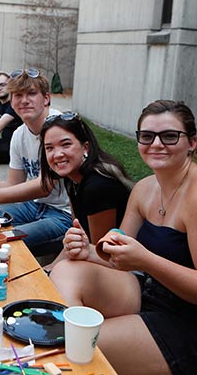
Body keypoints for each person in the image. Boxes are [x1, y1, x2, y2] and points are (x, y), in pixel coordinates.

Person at [50, 100, 197, 375]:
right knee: (67, 270)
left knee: (77, 345)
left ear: (192, 142)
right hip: (148, 293)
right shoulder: (145, 189)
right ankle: (75, 328)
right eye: (147, 136)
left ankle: (78, 343)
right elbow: (117, 256)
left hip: (195, 323)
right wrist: (89, 252)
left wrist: (147, 261)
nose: (156, 144)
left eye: (169, 136)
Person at [0, 68, 72, 257]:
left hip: (63, 215)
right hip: (33, 205)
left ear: (46, 98)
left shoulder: (58, 128)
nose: (24, 100)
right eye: (18, 95)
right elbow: (13, 184)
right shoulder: (19, 134)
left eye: (32, 93)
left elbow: (45, 185)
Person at [38, 111, 133, 269]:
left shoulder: (98, 186)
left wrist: (52, 271)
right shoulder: (72, 178)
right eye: (49, 148)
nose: (57, 154)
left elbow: (98, 252)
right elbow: (77, 237)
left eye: (66, 144)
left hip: (120, 268)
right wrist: (48, 268)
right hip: (93, 257)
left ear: (85, 147)